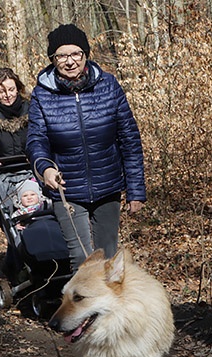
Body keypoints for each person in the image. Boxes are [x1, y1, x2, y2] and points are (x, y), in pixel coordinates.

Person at [27, 23, 146, 272]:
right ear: (53, 59)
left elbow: (129, 138)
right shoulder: (42, 94)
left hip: (108, 185)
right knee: (81, 259)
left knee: (108, 259)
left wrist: (135, 190)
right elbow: (36, 140)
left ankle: (108, 311)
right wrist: (45, 169)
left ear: (85, 54)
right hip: (66, 189)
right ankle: (83, 310)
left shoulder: (109, 85)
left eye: (75, 54)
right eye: (62, 55)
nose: (70, 61)